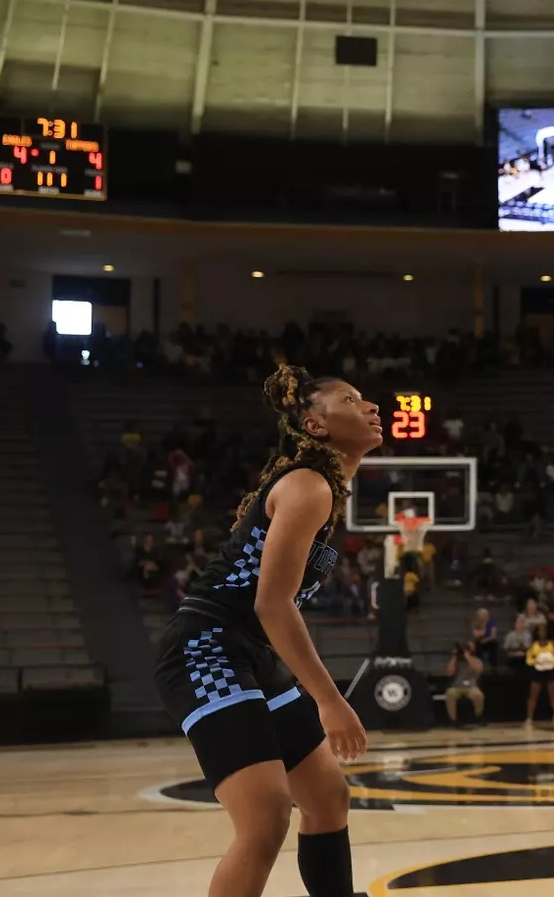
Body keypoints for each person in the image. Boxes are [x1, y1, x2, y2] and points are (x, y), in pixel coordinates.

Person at [150, 366, 374, 897]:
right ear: (315, 425)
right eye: (351, 398)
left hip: (249, 649)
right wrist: (329, 699)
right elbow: (272, 605)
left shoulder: (327, 484)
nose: (371, 406)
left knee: (325, 796)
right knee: (267, 816)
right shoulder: (307, 485)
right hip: (206, 647)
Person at [443, 643, 484, 726]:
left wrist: (467, 656)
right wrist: (455, 657)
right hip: (457, 686)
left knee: (478, 695)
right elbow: (449, 672)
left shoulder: (476, 660)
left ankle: (477, 717)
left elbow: (478, 669)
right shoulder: (457, 661)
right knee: (450, 693)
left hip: (472, 687)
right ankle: (454, 720)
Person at [524, 627, 554, 728]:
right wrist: (537, 661)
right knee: (533, 696)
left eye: (544, 630)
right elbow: (528, 659)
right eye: (540, 631)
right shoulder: (533, 646)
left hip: (550, 671)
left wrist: (551, 661)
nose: (542, 633)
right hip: (538, 671)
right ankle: (529, 718)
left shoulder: (552, 645)